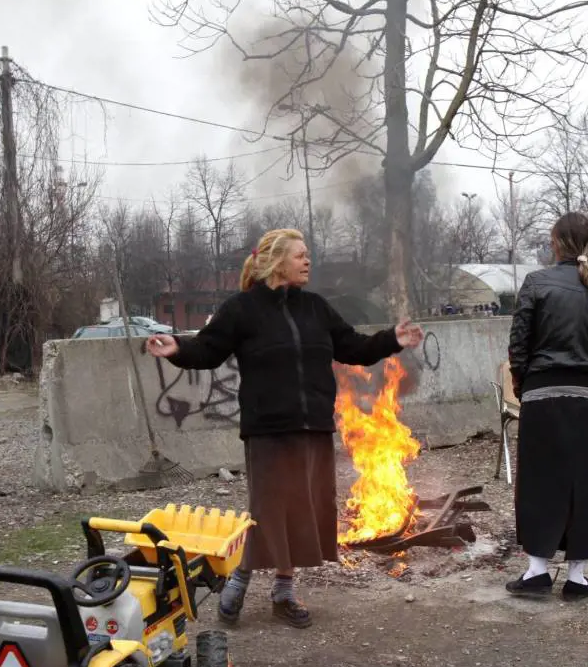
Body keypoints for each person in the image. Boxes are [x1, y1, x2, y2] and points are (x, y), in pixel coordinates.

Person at [148, 228, 424, 628]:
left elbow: (353, 347)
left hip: (313, 426)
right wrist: (178, 347)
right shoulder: (242, 309)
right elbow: (209, 349)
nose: (307, 261)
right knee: (268, 509)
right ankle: (241, 576)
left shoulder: (316, 308)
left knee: (301, 507)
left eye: (307, 254)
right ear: (277, 262)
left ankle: (284, 590)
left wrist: (391, 340)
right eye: (300, 255)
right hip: (268, 428)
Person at [506, 212, 588, 601]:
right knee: (581, 484)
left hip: (541, 396)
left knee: (538, 481)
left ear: (555, 242)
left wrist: (524, 385)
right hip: (587, 400)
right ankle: (577, 578)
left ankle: (537, 572)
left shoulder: (536, 283)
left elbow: (519, 344)